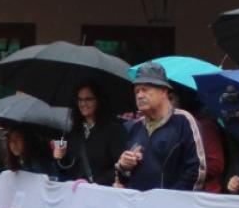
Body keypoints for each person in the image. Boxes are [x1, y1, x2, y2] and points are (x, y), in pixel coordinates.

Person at [115, 63, 203, 191]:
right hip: (138, 207)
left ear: (163, 91)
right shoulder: (135, 127)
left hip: (173, 207)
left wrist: (168, 201)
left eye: (145, 89)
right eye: (137, 91)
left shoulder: (184, 122)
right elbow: (124, 179)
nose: (139, 95)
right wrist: (123, 166)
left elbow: (197, 172)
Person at [56, 82, 129, 185]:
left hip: (102, 193)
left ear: (99, 100)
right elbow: (69, 169)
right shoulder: (75, 131)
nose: (83, 104)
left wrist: (97, 184)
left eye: (88, 99)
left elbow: (121, 167)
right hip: (76, 193)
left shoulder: (114, 130)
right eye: (80, 99)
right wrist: (61, 158)